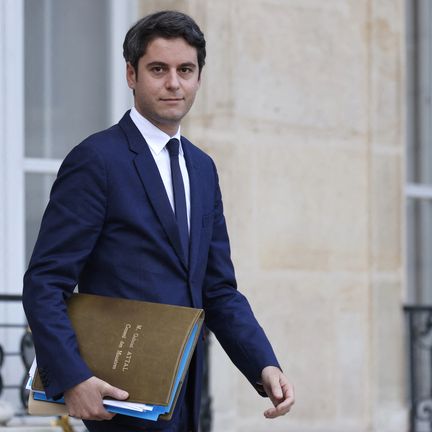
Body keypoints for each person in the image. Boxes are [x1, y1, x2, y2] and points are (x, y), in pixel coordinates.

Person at [22, 10, 295, 432]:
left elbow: (217, 288)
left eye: (185, 70)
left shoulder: (203, 169)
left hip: (185, 404)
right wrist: (73, 378)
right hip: (116, 402)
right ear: (131, 75)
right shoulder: (96, 160)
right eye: (158, 69)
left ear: (199, 77)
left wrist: (263, 364)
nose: (173, 83)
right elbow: (45, 282)